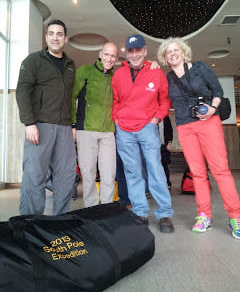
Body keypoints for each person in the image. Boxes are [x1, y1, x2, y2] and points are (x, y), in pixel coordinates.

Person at [158, 37, 240, 239]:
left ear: (183, 52)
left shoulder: (200, 68)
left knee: (220, 170)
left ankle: (236, 217)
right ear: (165, 58)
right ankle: (204, 216)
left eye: (175, 50)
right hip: (185, 128)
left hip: (208, 123)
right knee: (197, 173)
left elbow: (218, 91)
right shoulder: (168, 78)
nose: (173, 53)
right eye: (168, 52)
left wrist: (212, 109)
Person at [112, 34, 174, 233]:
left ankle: (165, 213)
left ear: (145, 51)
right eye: (131, 51)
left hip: (147, 127)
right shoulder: (118, 75)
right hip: (124, 131)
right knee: (133, 172)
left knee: (155, 169)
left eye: (138, 50)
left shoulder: (156, 73)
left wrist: (156, 118)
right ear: (127, 53)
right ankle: (140, 212)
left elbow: (165, 100)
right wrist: (117, 119)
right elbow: (115, 101)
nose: (135, 54)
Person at [16, 19, 76, 216]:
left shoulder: (70, 65)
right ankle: (30, 224)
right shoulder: (33, 61)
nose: (55, 37)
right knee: (35, 175)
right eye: (51, 33)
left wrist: (73, 124)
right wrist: (29, 123)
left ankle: (60, 220)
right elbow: (22, 92)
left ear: (65, 39)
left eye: (59, 34)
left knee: (66, 176)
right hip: (40, 126)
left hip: (65, 128)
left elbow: (70, 97)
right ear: (46, 37)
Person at [71, 43, 118, 207]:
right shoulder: (84, 71)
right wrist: (73, 125)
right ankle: (91, 208)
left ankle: (106, 209)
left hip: (108, 132)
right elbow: (72, 97)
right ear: (100, 54)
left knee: (109, 173)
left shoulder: (115, 77)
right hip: (86, 130)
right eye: (106, 54)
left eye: (113, 56)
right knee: (88, 172)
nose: (109, 58)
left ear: (116, 58)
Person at [159, 116, 173, 190]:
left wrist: (169, 143)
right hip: (152, 145)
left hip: (164, 144)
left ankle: (167, 183)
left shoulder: (165, 117)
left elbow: (170, 130)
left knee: (165, 165)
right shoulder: (150, 115)